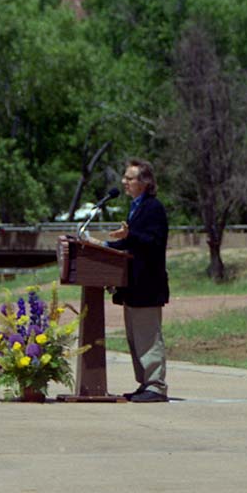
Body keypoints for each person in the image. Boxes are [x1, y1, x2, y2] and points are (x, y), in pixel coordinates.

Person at [104, 159, 170, 402]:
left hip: (147, 286)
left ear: (145, 182)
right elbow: (132, 244)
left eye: (130, 178)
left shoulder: (154, 208)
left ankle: (156, 386)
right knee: (135, 338)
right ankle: (145, 384)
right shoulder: (136, 207)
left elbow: (153, 242)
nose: (124, 182)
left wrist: (130, 235)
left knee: (148, 337)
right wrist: (105, 246)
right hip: (132, 287)